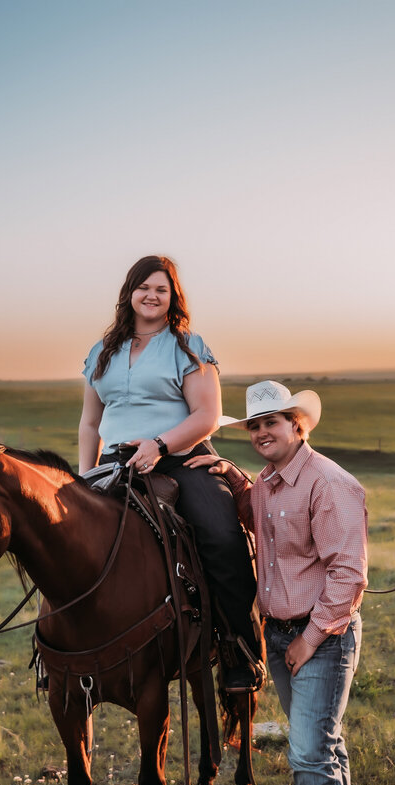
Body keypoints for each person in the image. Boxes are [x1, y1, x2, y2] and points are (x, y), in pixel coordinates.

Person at [185, 379, 368, 785]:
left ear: (297, 425)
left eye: (273, 422)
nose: (262, 432)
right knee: (323, 751)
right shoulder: (265, 484)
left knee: (311, 756)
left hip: (321, 637)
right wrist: (221, 472)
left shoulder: (329, 483)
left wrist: (308, 641)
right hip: (283, 634)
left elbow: (348, 574)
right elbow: (252, 510)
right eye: (255, 425)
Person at [78, 254, 264, 690]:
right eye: (144, 287)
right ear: (129, 293)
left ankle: (239, 650)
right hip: (116, 463)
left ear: (172, 296)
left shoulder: (188, 346)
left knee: (221, 536)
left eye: (161, 289)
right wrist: (85, 477)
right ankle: (63, 653)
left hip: (181, 459)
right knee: (65, 537)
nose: (152, 295)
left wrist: (159, 445)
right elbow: (89, 422)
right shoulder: (102, 352)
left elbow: (207, 415)